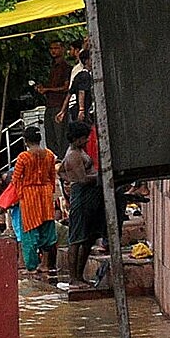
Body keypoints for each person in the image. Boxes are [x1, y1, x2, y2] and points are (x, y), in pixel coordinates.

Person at [10, 127, 62, 280]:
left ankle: (32, 267)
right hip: (45, 194)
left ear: (25, 141)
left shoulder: (23, 157)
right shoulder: (50, 155)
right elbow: (53, 177)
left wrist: (19, 195)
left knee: (30, 233)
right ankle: (46, 265)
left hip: (29, 196)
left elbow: (16, 179)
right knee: (48, 231)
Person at [60, 121, 107, 288]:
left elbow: (61, 172)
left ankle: (79, 276)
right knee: (76, 240)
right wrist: (101, 175)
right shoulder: (73, 155)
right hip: (81, 198)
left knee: (88, 238)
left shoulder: (79, 151)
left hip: (89, 198)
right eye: (84, 138)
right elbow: (81, 179)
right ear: (77, 139)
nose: (87, 140)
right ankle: (74, 278)